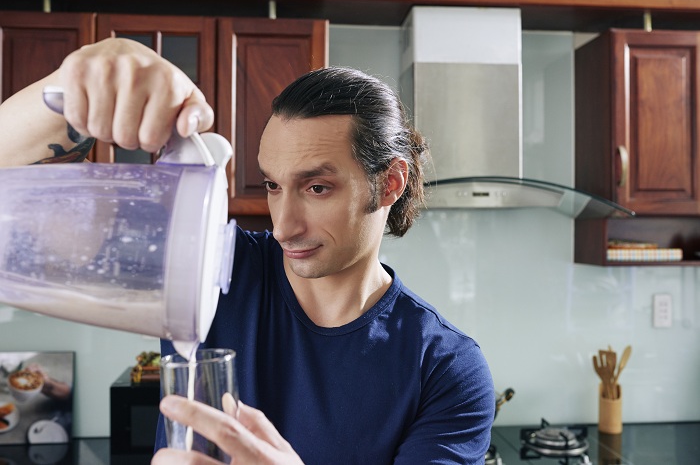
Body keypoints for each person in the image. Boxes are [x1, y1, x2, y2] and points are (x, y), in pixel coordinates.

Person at [0, 37, 495, 464]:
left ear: (389, 183)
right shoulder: (209, 270)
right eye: (274, 187)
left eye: (317, 187)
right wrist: (80, 81)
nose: (284, 226)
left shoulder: (446, 370)